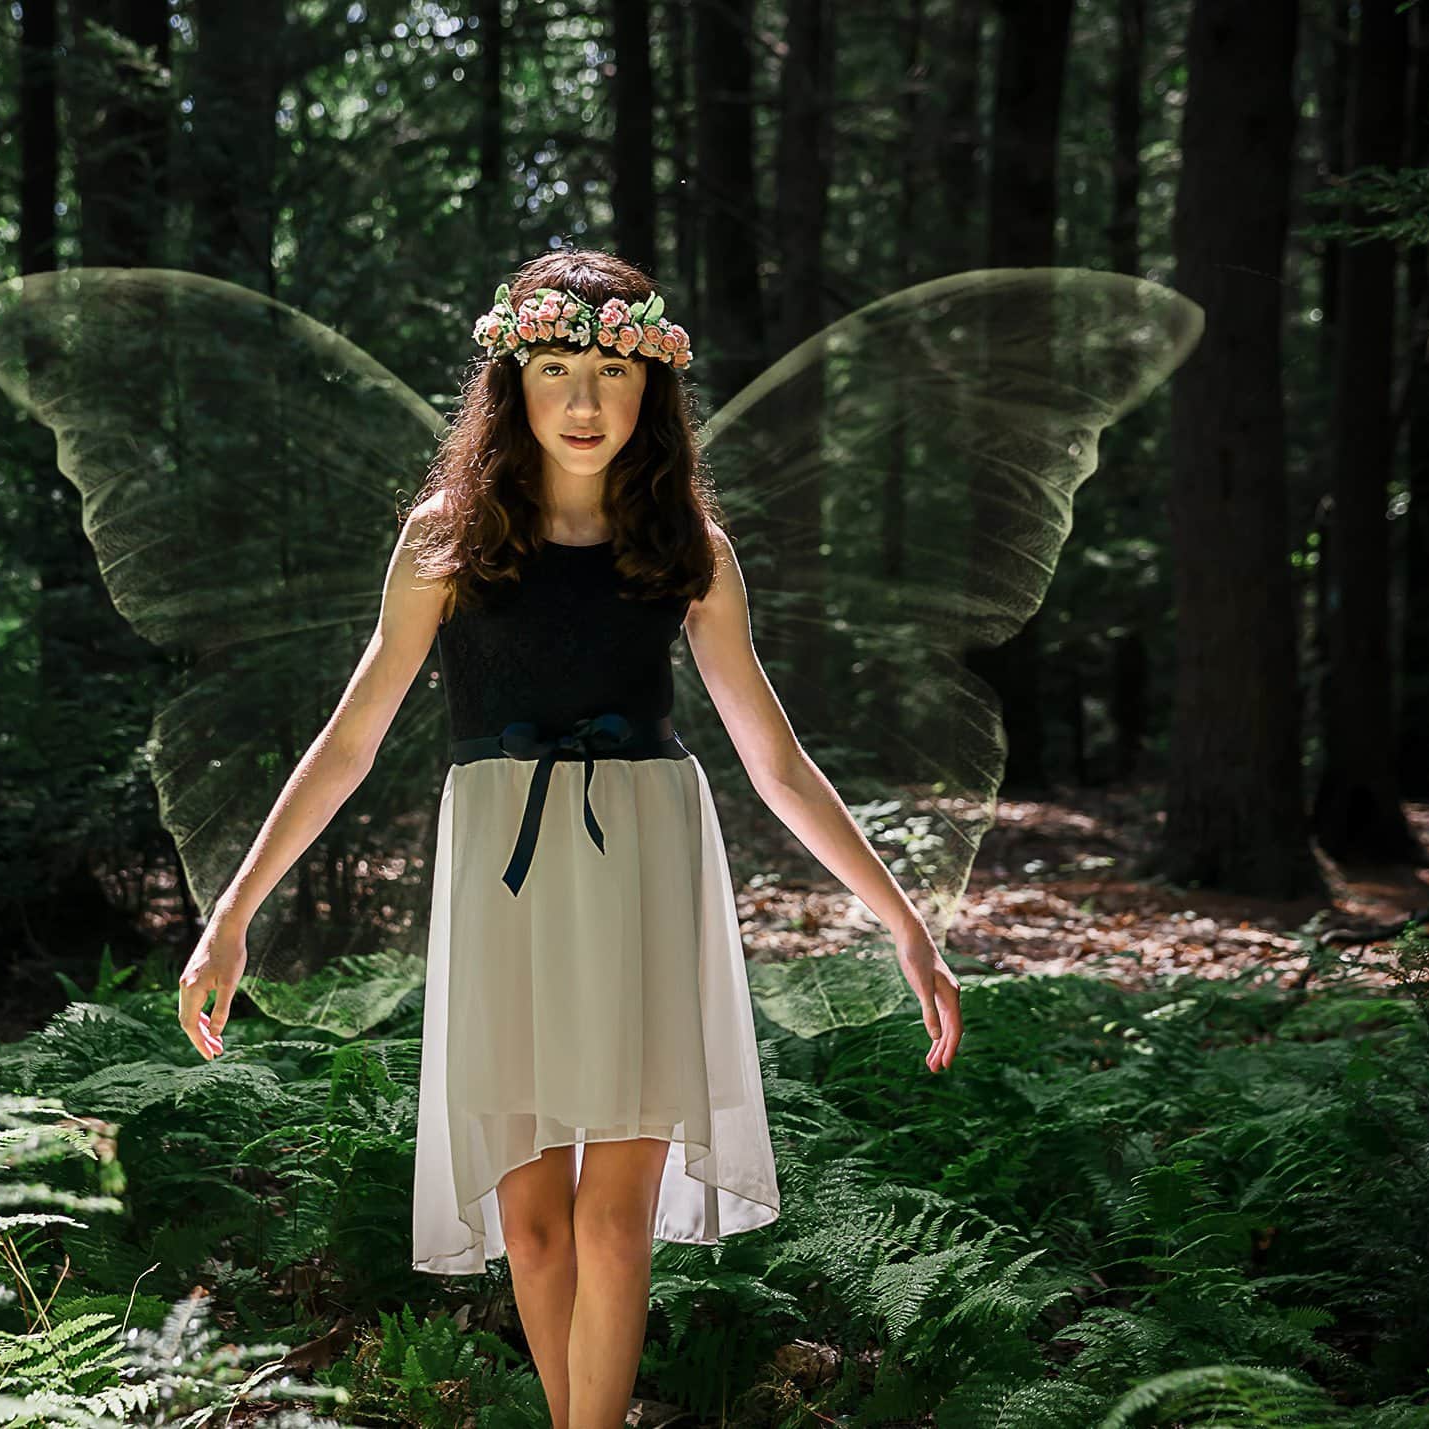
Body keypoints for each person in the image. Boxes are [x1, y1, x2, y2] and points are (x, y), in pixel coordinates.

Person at [176, 249, 962, 1428]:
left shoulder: (685, 544)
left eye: (609, 373)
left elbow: (776, 761)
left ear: (652, 387)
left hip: (644, 865)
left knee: (611, 1213)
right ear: (511, 381)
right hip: (505, 875)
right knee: (534, 1229)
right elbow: (347, 744)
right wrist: (230, 917)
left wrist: (905, 922)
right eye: (553, 370)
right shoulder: (447, 535)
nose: (583, 403)